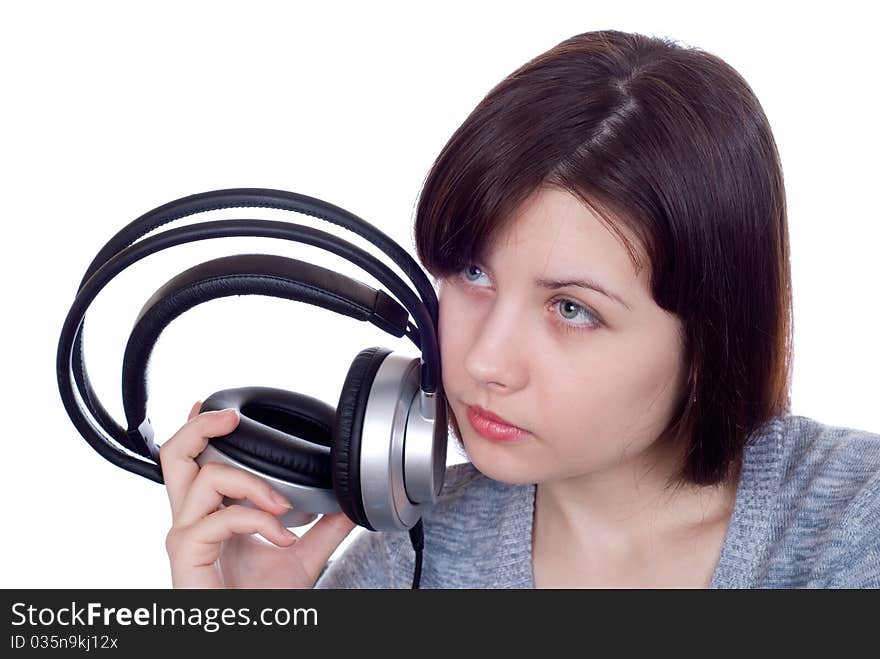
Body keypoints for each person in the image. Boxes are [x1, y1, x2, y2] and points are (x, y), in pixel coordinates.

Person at [160, 29, 880, 588]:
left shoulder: (854, 525)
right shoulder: (410, 555)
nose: (481, 361)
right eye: (473, 271)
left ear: (709, 342)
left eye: (571, 309)